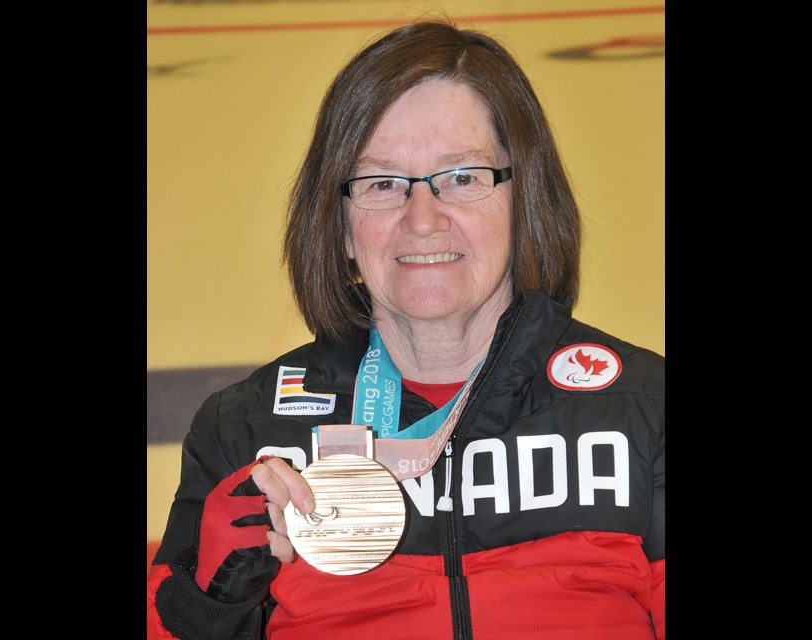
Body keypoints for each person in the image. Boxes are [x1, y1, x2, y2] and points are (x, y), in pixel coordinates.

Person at [147, 18, 664, 640]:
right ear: (339, 225)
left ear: (522, 203)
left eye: (462, 178)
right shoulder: (246, 430)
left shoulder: (642, 407)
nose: (423, 220)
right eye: (383, 182)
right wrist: (210, 604)